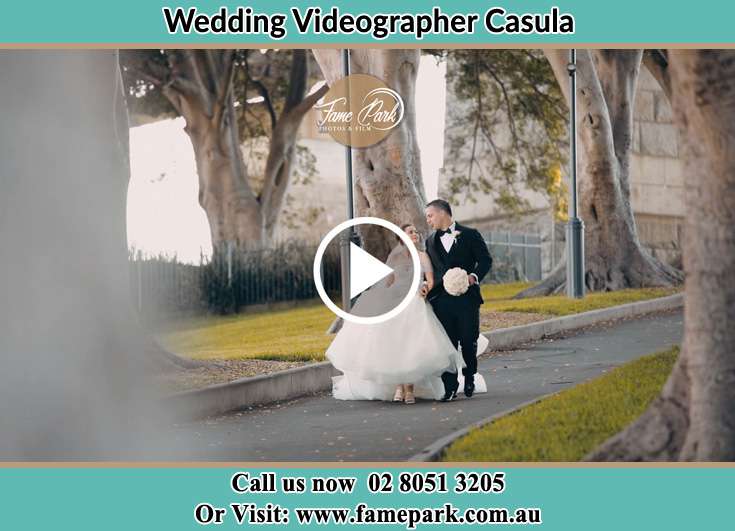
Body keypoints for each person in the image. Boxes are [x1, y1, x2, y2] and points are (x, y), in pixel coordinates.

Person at [326, 223, 488, 403]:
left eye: (416, 231)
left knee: (410, 343)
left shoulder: (422, 256)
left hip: (414, 300)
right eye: (410, 231)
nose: (415, 234)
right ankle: (398, 386)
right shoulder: (394, 257)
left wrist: (426, 287)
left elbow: (431, 279)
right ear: (401, 236)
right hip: (396, 300)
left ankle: (409, 389)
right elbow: (388, 281)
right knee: (394, 342)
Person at [422, 199, 493, 402]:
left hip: (467, 299)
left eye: (430, 215)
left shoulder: (470, 234)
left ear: (443, 213)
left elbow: (486, 260)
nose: (428, 220)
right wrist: (426, 287)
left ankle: (469, 375)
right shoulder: (430, 241)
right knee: (447, 344)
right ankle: (450, 387)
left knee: (468, 340)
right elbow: (432, 272)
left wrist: (473, 277)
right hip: (441, 301)